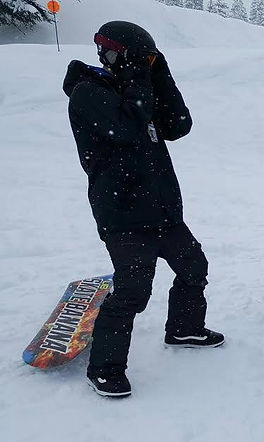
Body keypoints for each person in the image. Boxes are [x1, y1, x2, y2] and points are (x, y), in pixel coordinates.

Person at [63, 21, 224, 398]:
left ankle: (184, 327)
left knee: (193, 268)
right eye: (140, 58)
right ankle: (104, 367)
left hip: (163, 209)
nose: (143, 65)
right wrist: (137, 76)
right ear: (113, 54)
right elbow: (127, 129)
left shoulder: (138, 91)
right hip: (122, 214)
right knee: (133, 290)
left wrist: (160, 73)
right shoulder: (88, 93)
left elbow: (179, 125)